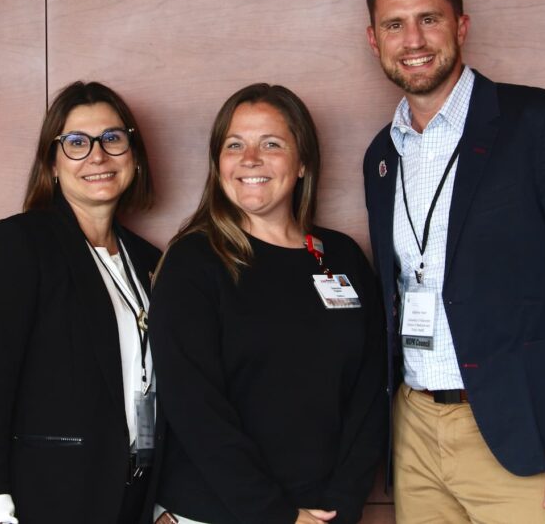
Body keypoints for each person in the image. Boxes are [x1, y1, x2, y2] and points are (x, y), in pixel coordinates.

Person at [362, 0, 545, 524]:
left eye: (429, 19)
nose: (413, 39)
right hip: (413, 433)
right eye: (394, 24)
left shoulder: (542, 124)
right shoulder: (382, 155)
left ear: (461, 26)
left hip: (517, 434)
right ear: (373, 38)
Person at [150, 84, 386, 524]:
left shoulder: (342, 256)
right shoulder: (194, 261)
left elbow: (371, 395)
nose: (250, 158)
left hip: (324, 514)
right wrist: (277, 515)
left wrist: (342, 505)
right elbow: (195, 408)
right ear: (218, 163)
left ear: (302, 164)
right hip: (215, 512)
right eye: (234, 144)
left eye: (271, 144)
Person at [0, 81, 161, 524]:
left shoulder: (150, 261)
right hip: (47, 499)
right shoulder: (18, 245)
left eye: (113, 139)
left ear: (134, 156)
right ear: (53, 163)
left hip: (134, 502)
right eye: (76, 143)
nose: (97, 156)